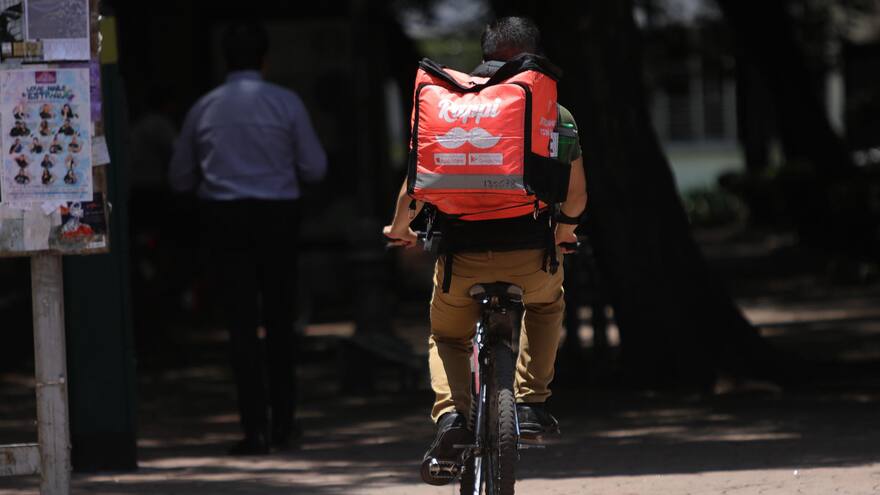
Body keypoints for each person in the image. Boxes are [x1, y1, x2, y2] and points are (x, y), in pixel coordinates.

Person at [382, 17, 587, 485]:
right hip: (531, 254)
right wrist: (565, 232)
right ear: (533, 55)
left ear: (486, 53)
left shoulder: (449, 104)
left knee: (447, 336)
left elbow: (415, 185)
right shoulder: (555, 111)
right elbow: (574, 197)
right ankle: (531, 405)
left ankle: (453, 417)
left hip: (462, 260)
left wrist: (400, 230)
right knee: (546, 305)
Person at [169, 21, 327, 456]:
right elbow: (314, 167)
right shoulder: (286, 104)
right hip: (277, 218)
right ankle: (284, 424)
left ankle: (253, 429)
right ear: (265, 58)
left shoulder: (205, 108)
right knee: (279, 322)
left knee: (240, 326)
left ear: (225, 60)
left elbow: (180, 176)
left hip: (224, 220)